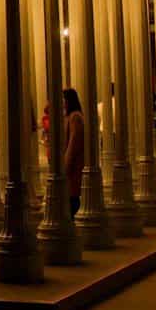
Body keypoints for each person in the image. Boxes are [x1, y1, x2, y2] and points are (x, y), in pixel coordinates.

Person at [62, 87, 86, 215]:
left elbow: (73, 142)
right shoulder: (70, 116)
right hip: (72, 162)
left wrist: (66, 163)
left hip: (74, 164)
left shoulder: (75, 117)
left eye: (64, 99)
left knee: (73, 196)